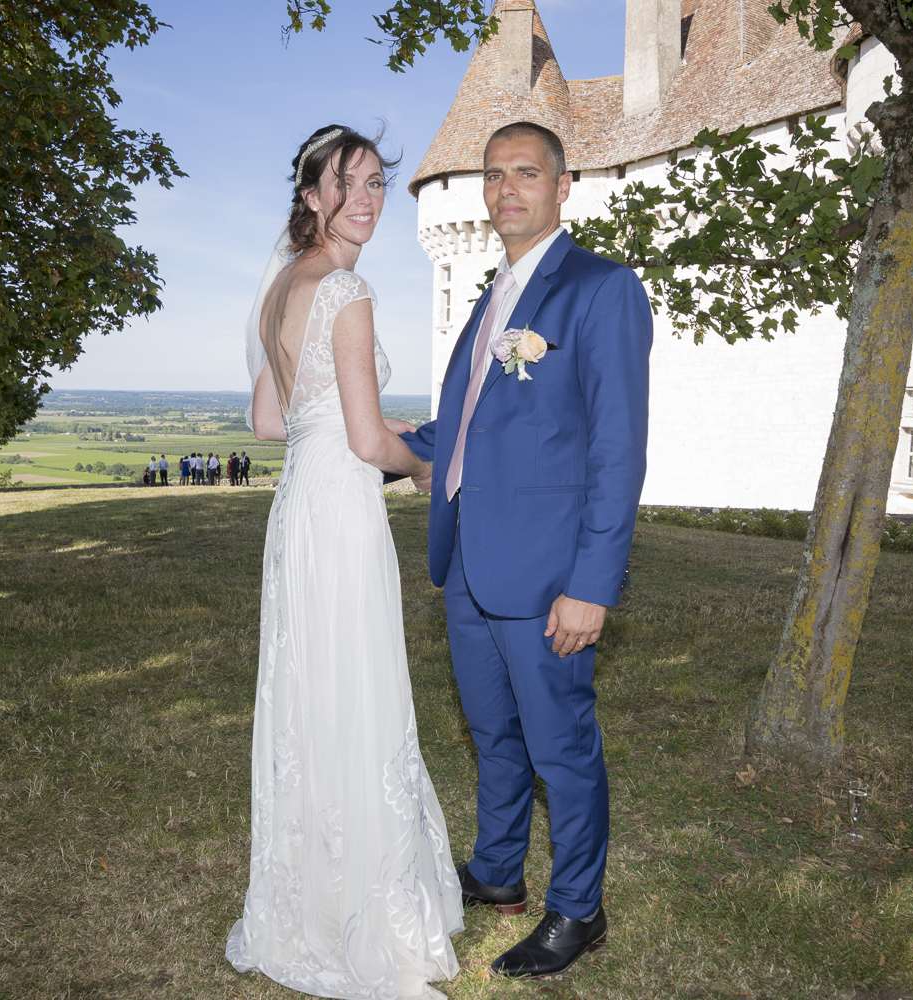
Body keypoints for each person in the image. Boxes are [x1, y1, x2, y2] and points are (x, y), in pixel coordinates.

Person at [400, 122, 653, 979]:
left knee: (560, 748)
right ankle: (497, 869)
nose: (505, 190)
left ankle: (578, 909)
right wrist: (367, 443)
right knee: (492, 732)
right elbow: (466, 423)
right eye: (492, 175)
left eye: (525, 173)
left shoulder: (601, 289)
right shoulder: (491, 297)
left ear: (563, 184)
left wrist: (593, 584)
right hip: (468, 559)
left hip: (548, 573)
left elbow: (617, 450)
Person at [226, 124, 461, 999]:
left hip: (299, 509)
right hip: (343, 510)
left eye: (375, 184)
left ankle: (306, 902)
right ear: (312, 195)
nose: (365, 200)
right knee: (356, 687)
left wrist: (363, 424)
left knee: (311, 690)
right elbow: (365, 442)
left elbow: (272, 421)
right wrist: (424, 462)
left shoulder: (283, 286)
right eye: (346, 183)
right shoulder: (346, 287)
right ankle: (363, 911)